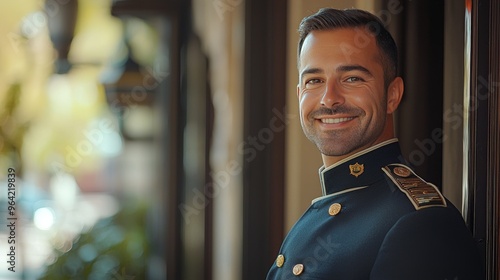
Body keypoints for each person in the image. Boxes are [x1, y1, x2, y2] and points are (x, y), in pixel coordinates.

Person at [266, 8, 483, 280]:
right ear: (299, 95)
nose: (328, 99)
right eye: (315, 80)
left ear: (393, 94)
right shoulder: (315, 215)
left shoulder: (420, 224)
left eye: (352, 78)